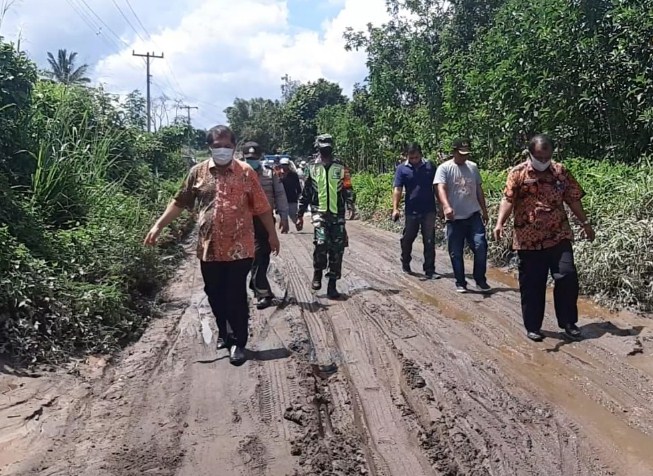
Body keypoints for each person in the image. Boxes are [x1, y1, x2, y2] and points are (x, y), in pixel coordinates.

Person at [144, 125, 280, 366]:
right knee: (214, 293)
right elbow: (179, 202)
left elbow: (261, 207)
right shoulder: (197, 173)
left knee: (235, 292)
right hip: (209, 247)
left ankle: (238, 341)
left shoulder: (246, 172)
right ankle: (224, 332)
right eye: (217, 146)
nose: (223, 150)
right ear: (209, 147)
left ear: (234, 147)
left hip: (240, 246)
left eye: (227, 146)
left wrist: (272, 235)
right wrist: (158, 226)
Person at [494, 134, 595, 342]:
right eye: (538, 157)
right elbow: (508, 199)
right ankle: (533, 326)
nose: (543, 161)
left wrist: (585, 223)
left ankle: (568, 322)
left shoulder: (560, 172)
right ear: (530, 154)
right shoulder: (518, 173)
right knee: (532, 284)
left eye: (546, 157)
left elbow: (573, 199)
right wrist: (500, 222)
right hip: (528, 240)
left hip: (559, 235)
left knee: (567, 276)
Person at [434, 138, 491, 293]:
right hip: (455, 219)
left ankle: (480, 280)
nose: (464, 157)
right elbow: (440, 188)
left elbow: (479, 190)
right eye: (461, 154)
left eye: (466, 154)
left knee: (480, 246)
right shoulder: (444, 168)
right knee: (456, 251)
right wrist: (446, 206)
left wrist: (484, 211)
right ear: (454, 152)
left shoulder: (473, 167)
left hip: (473, 215)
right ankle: (460, 282)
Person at [297, 134, 348, 299]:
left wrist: (352, 205)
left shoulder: (340, 166)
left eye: (328, 145)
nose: (326, 148)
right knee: (321, 243)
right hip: (319, 213)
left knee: (337, 250)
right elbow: (306, 192)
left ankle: (332, 284)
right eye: (322, 145)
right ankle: (317, 272)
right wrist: (300, 213)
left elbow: (348, 187)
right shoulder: (312, 167)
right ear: (317, 146)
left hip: (337, 214)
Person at [241, 142, 289, 310]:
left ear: (260, 157)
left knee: (261, 255)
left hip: (265, 221)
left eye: (254, 158)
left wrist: (284, 217)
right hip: (243, 222)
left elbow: (280, 195)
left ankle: (261, 290)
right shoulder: (237, 173)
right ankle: (259, 288)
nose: (251, 161)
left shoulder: (270, 173)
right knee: (252, 256)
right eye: (248, 158)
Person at [392, 143, 438, 278]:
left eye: (416, 157)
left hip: (429, 209)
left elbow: (437, 187)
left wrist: (442, 206)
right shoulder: (402, 169)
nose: (414, 160)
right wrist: (395, 208)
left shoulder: (430, 166)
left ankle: (430, 269)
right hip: (411, 210)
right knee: (408, 238)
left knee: (429, 239)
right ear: (407, 157)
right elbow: (398, 189)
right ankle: (405, 262)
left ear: (421, 155)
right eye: (411, 158)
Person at [278, 157, 303, 231]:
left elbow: (298, 185)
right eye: (283, 165)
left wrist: (299, 194)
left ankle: (297, 224)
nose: (284, 166)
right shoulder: (279, 175)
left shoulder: (293, 175)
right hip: (282, 197)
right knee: (283, 214)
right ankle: (285, 228)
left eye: (286, 165)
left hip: (292, 197)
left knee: (293, 214)